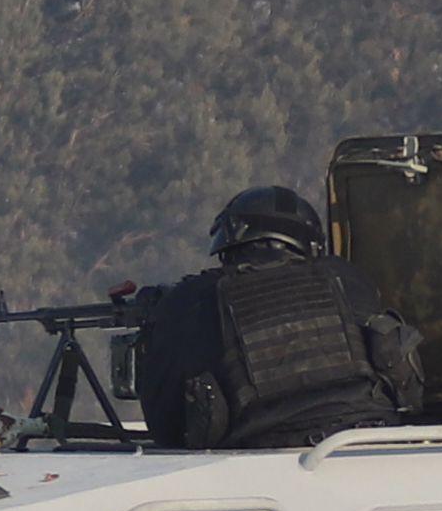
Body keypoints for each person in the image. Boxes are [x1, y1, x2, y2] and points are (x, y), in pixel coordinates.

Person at [128, 184, 423, 451]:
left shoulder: (193, 299)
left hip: (260, 459)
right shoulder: (346, 278)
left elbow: (166, 427)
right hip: (372, 445)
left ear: (231, 244)